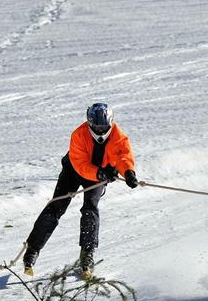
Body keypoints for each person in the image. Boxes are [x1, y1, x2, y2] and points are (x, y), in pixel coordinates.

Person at [22, 103, 139, 279]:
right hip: (74, 172)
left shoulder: (118, 135)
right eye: (96, 126)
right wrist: (98, 173)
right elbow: (80, 163)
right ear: (89, 123)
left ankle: (87, 253)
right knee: (56, 206)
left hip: (98, 176)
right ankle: (32, 249)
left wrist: (128, 172)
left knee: (90, 209)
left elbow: (123, 156)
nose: (100, 130)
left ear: (111, 123)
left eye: (104, 126)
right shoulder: (79, 134)